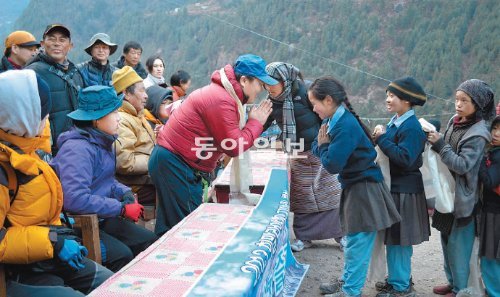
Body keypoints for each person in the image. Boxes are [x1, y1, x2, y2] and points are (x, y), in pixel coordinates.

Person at [0, 70, 112, 297]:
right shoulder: (5, 166)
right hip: (13, 273)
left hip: (44, 256)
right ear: (21, 113)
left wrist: (62, 238)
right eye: (42, 111)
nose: (46, 118)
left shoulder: (31, 151)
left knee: (113, 284)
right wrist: (53, 242)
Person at [149, 54, 276, 236]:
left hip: (175, 161)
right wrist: (256, 123)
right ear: (244, 80)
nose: (261, 89)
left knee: (171, 224)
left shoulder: (224, 95)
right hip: (176, 164)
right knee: (186, 227)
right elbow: (233, 146)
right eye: (259, 84)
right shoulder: (222, 99)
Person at [308, 76, 401, 297]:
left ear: (328, 100)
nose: (313, 108)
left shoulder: (345, 125)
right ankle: (347, 283)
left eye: (315, 103)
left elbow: (332, 164)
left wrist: (323, 147)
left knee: (357, 243)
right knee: (352, 241)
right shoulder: (331, 120)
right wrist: (323, 147)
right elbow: (316, 146)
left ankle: (350, 292)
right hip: (356, 187)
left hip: (364, 190)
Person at [51, 85, 158, 272]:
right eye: (113, 112)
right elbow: (74, 199)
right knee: (122, 255)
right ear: (95, 120)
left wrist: (124, 192)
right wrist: (121, 209)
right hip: (80, 224)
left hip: (101, 216)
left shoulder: (101, 141)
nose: (118, 117)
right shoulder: (77, 150)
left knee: (149, 242)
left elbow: (106, 181)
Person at [264, 62, 343, 252]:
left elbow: (328, 116)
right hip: (296, 154)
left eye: (271, 83)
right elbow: (262, 122)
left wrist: (327, 142)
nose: (268, 88)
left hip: (319, 151)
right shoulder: (272, 100)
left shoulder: (308, 91)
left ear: (285, 80)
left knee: (330, 194)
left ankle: (341, 235)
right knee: (302, 197)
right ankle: (304, 237)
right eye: (264, 84)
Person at [427, 79, 495, 297]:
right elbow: (445, 151)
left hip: (464, 198)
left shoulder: (478, 133)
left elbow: (463, 165)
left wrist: (440, 145)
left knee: (459, 246)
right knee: (446, 240)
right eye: (457, 99)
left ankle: (460, 289)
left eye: (464, 100)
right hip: (447, 193)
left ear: (478, 104)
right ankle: (451, 281)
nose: (458, 104)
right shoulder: (455, 122)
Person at [372, 77, 430, 297]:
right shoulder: (397, 122)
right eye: (387, 94)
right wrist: (382, 137)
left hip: (405, 190)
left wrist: (382, 139)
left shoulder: (412, 127)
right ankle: (398, 280)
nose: (388, 99)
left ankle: (401, 287)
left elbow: (405, 158)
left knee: (400, 239)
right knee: (394, 238)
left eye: (392, 95)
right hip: (397, 188)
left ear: (406, 101)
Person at [25, 24, 84, 155]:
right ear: (42, 43)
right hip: (49, 150)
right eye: (52, 39)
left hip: (76, 145)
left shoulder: (75, 73)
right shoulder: (32, 73)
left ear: (70, 46)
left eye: (62, 40)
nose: (57, 44)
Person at [112, 66, 156, 206]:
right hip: (136, 186)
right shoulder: (122, 120)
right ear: (126, 93)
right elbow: (125, 163)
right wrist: (157, 160)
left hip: (147, 179)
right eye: (141, 90)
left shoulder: (138, 115)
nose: (146, 95)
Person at [478, 114, 500, 297]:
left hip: (495, 213)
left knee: (490, 256)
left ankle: (494, 293)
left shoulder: (497, 155)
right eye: (495, 128)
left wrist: (479, 161)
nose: (496, 134)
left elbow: (490, 181)